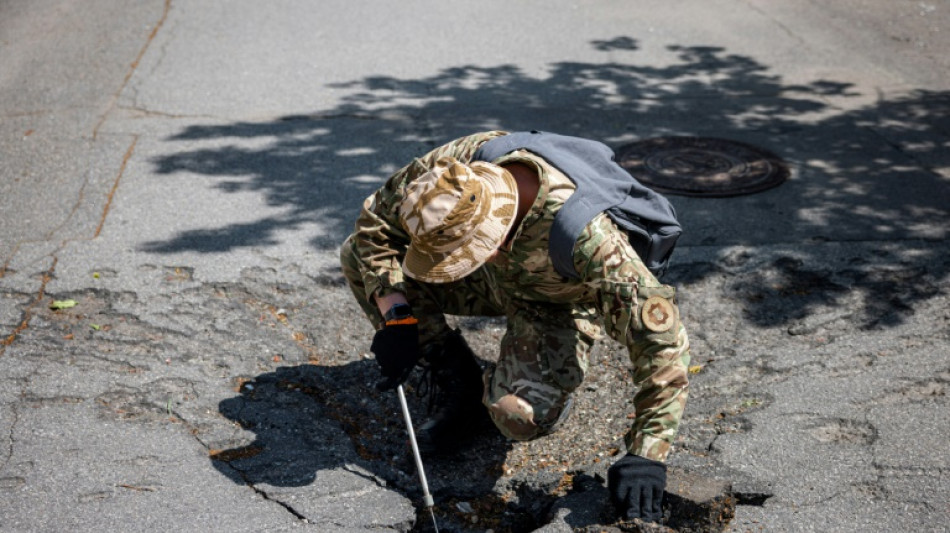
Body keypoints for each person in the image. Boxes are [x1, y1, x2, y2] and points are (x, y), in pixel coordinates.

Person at [340, 130, 691, 523]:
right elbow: (374, 227)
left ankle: (535, 384)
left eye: (456, 254)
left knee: (517, 417)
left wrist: (647, 452)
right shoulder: (449, 174)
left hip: (553, 302)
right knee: (357, 257)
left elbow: (662, 342)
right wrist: (398, 317)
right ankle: (457, 378)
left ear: (494, 233)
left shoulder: (591, 240)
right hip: (491, 278)